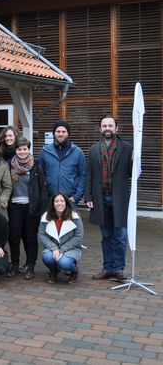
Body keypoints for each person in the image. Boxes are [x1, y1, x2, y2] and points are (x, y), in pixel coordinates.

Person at [85, 116, 132, 281]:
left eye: (110, 125)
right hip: (100, 198)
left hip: (120, 199)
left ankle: (118, 269)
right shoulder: (93, 150)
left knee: (120, 235)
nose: (107, 128)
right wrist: (88, 196)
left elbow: (134, 173)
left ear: (116, 128)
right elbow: (89, 175)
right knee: (106, 236)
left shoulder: (127, 149)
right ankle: (107, 268)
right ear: (100, 129)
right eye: (104, 125)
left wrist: (136, 161)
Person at [7, 138, 48, 280]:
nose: (22, 152)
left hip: (32, 207)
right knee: (14, 238)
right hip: (14, 207)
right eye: (19, 149)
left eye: (25, 149)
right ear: (15, 150)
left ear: (28, 149)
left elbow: (42, 188)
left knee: (31, 238)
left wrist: (42, 209)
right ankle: (15, 265)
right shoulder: (10, 165)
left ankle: (31, 266)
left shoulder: (36, 166)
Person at [38, 193, 84, 284]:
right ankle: (54, 271)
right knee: (47, 256)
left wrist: (62, 250)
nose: (59, 203)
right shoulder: (46, 216)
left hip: (71, 248)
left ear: (66, 203)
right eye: (56, 201)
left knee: (64, 263)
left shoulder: (74, 216)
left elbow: (78, 236)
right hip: (53, 248)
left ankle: (74, 271)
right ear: (53, 204)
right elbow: (41, 235)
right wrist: (54, 248)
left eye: (62, 201)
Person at [38, 120, 86, 206]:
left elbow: (82, 175)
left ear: (68, 133)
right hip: (50, 200)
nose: (61, 134)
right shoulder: (45, 151)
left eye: (64, 131)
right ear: (54, 133)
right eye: (58, 131)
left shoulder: (77, 152)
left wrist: (77, 196)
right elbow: (40, 174)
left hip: (70, 200)